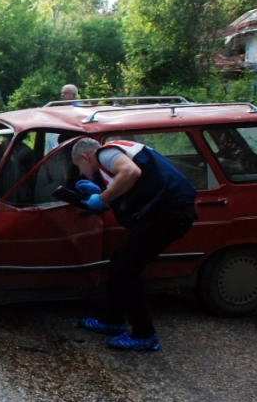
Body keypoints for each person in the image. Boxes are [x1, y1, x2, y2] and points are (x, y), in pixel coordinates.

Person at [71, 137, 197, 351]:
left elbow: (131, 173)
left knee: (126, 268)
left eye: (80, 167)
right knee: (120, 260)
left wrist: (102, 198)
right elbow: (131, 184)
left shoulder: (104, 154)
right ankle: (112, 320)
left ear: (85, 157)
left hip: (170, 213)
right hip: (167, 212)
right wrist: (102, 192)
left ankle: (145, 335)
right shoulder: (117, 153)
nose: (83, 173)